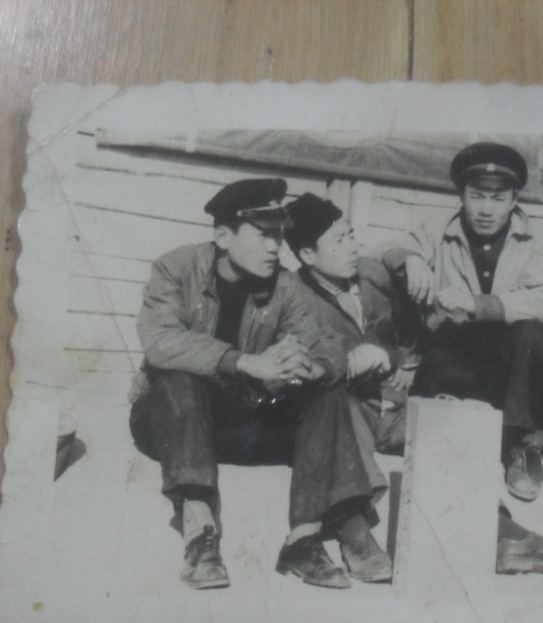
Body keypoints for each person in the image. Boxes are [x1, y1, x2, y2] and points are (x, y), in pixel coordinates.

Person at [129, 178, 388, 591]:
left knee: (329, 391)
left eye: (279, 236)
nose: (275, 247)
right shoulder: (176, 269)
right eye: (263, 235)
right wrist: (248, 363)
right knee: (179, 378)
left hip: (247, 423)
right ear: (223, 236)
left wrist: (309, 369)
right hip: (175, 424)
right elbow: (160, 341)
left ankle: (305, 541)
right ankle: (200, 536)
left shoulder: (284, 285)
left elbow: (325, 345)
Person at [381, 144, 543, 574]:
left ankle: (521, 446)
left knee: (532, 334)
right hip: (454, 357)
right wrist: (412, 259)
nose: (487, 209)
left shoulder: (540, 237)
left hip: (511, 361)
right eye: (477, 196)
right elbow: (390, 247)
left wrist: (479, 304)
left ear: (514, 200)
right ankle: (500, 535)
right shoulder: (437, 228)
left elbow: (542, 301)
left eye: (498, 198)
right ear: (462, 196)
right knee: (444, 369)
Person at [284, 193, 425, 582]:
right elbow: (308, 354)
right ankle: (356, 535)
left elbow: (411, 318)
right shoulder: (294, 297)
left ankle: (502, 529)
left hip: (396, 403)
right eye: (338, 241)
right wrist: (352, 359)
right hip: (353, 409)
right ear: (307, 255)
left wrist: (408, 361)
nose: (352, 248)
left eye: (350, 235)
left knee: (448, 433)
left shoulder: (371, 274)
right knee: (338, 409)